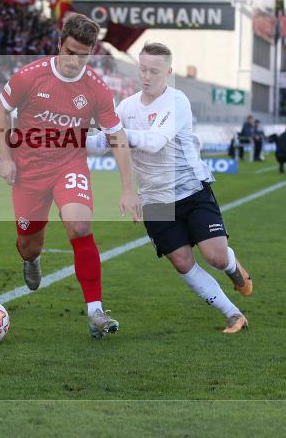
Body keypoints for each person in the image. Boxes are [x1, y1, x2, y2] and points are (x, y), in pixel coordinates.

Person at [0, 12, 141, 339]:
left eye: (83, 55)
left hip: (69, 165)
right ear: (59, 44)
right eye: (70, 52)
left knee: (80, 225)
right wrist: (5, 157)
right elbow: (1, 109)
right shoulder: (30, 76)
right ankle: (31, 260)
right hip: (29, 170)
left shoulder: (97, 91)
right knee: (29, 245)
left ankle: (95, 311)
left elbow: (117, 138)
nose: (75, 61)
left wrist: (128, 190)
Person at [87, 43, 252, 334]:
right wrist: (64, 139)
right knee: (182, 261)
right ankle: (233, 314)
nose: (146, 76)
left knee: (214, 255)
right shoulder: (126, 107)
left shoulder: (177, 101)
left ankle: (232, 267)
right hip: (154, 199)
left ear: (169, 72)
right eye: (142, 69)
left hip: (190, 189)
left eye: (154, 70)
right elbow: (102, 142)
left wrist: (115, 133)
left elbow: (154, 141)